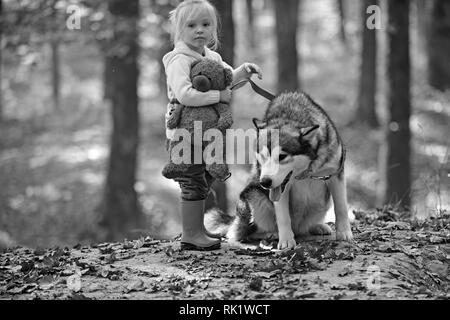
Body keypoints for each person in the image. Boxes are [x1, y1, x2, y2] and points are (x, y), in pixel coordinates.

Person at [162, 0, 262, 251]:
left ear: (213, 29)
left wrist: (243, 72)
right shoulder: (178, 60)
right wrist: (218, 97)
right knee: (192, 180)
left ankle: (198, 228)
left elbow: (227, 79)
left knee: (205, 178)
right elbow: (185, 94)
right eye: (191, 25)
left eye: (206, 24)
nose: (199, 30)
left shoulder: (213, 56)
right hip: (184, 134)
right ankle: (190, 234)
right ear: (179, 31)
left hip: (207, 135)